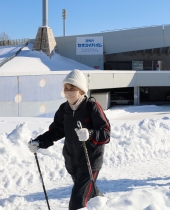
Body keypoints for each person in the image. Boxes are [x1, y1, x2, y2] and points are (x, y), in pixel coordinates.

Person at [28, 69, 110, 210]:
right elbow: (56, 131)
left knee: (77, 202)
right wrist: (39, 142)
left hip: (90, 161)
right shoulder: (64, 109)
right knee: (89, 194)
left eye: (72, 88)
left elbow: (106, 133)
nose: (68, 91)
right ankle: (103, 205)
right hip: (72, 161)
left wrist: (89, 133)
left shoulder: (92, 107)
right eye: (66, 88)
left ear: (81, 90)